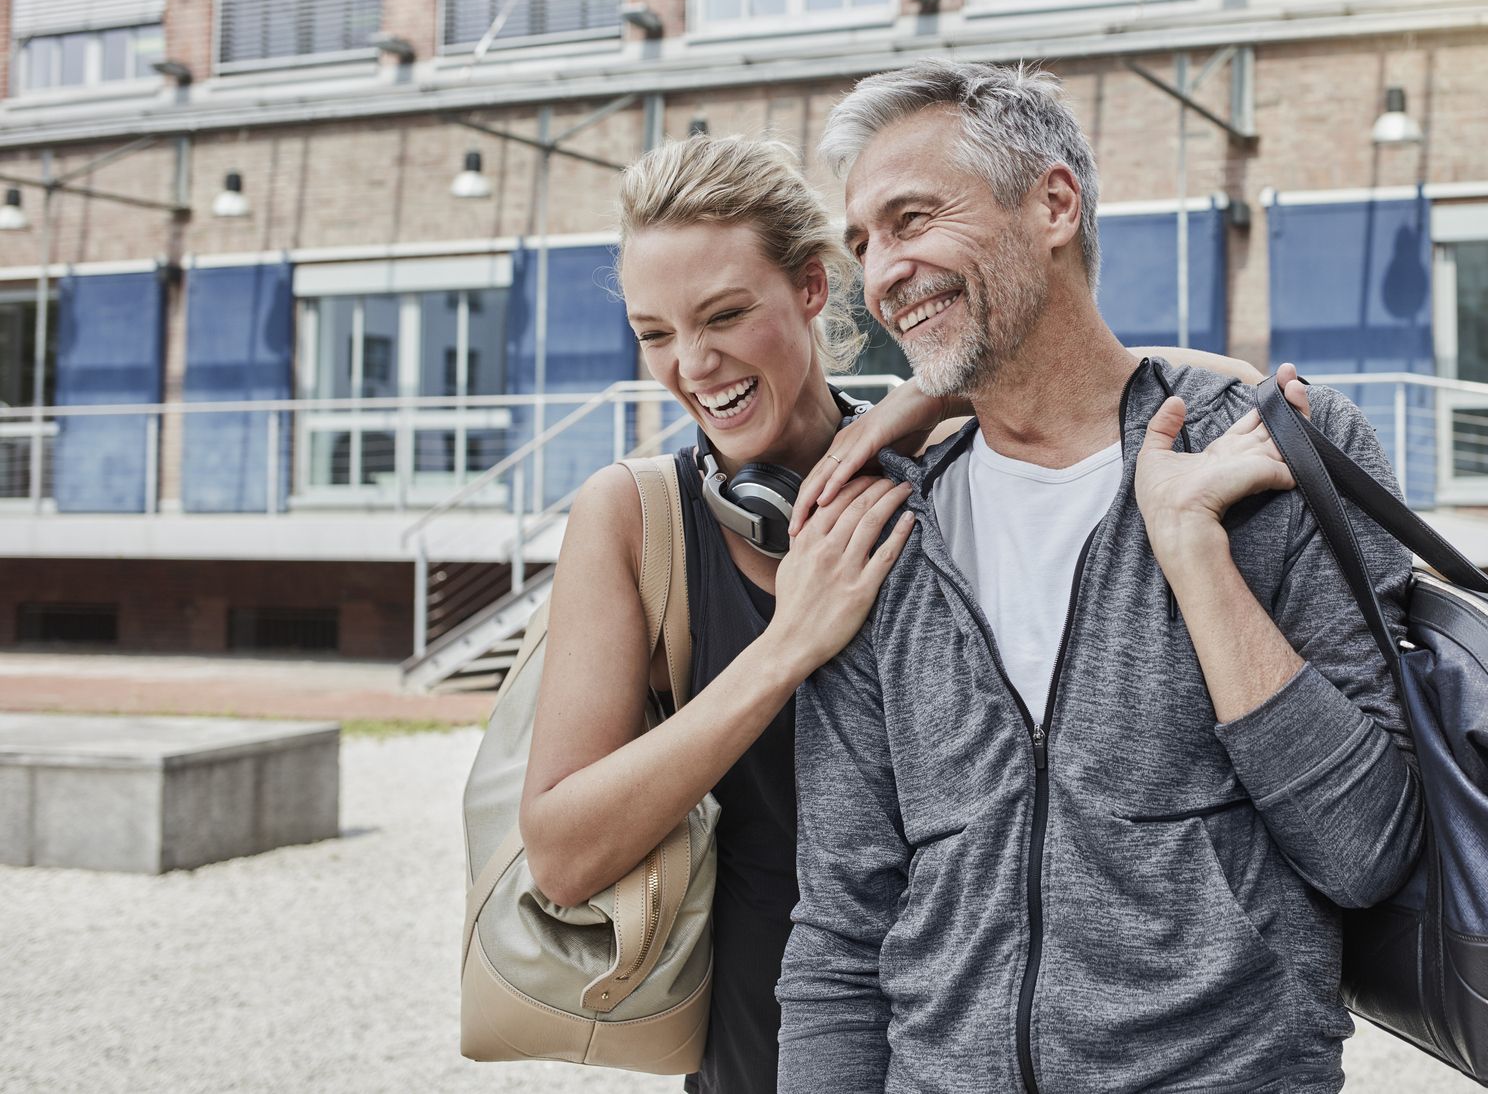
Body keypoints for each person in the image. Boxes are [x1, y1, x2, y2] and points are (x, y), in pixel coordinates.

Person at [517, 130, 1258, 1094]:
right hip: (765, 1041)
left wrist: (918, 399)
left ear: (813, 292)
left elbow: (1209, 389)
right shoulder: (631, 518)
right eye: (656, 333)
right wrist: (787, 647)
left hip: (982, 1039)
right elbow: (562, 855)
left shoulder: (948, 452)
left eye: (726, 315)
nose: (693, 365)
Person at [776, 60, 1424, 1092]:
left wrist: (1196, 553)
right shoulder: (881, 534)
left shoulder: (1277, 457)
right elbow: (843, 927)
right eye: (863, 243)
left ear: (1054, 204)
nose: (883, 272)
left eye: (911, 218)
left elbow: (1365, 847)